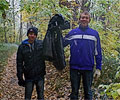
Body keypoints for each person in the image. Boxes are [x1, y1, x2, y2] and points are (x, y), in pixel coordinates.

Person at [64, 11, 102, 100]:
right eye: (82, 17)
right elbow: (61, 43)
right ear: (79, 19)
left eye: (86, 18)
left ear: (89, 20)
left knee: (88, 92)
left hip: (88, 67)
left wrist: (98, 68)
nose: (84, 19)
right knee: (74, 92)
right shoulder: (72, 33)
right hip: (74, 67)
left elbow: (98, 52)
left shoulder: (94, 34)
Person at [16, 27, 46, 100]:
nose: (32, 36)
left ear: (36, 35)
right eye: (30, 34)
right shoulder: (22, 46)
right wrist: (20, 77)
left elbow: (49, 53)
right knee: (27, 97)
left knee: (41, 96)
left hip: (40, 75)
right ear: (27, 35)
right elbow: (19, 63)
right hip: (29, 76)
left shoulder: (41, 44)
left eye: (34, 34)